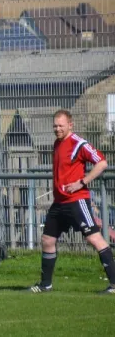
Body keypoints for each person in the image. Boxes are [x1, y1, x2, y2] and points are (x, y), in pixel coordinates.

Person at [28, 110, 115, 294]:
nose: (57, 129)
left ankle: (114, 285)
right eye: (55, 126)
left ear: (70, 125)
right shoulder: (57, 144)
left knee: (94, 238)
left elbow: (101, 163)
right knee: (47, 239)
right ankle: (45, 284)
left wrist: (82, 182)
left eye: (61, 125)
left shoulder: (79, 144)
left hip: (76, 201)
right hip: (59, 202)